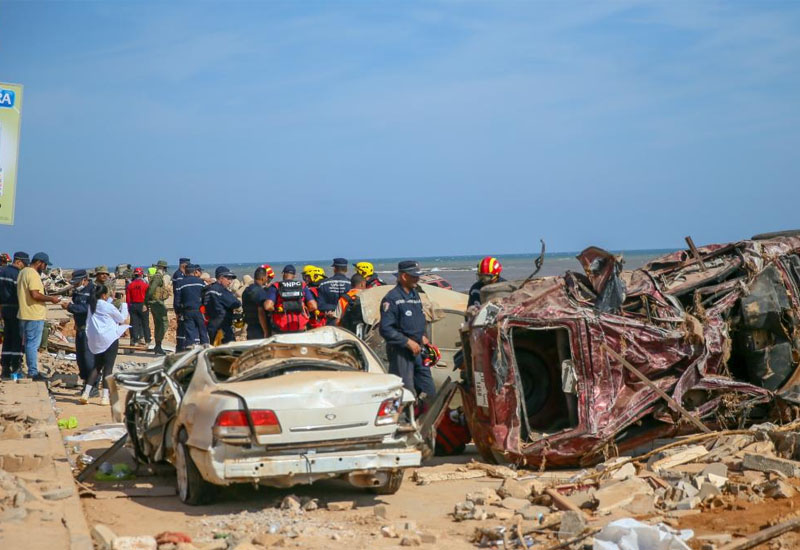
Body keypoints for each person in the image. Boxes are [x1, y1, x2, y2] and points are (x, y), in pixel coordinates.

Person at [379, 260, 436, 400]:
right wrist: (407, 342)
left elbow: (417, 320)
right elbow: (386, 329)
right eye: (414, 276)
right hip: (401, 352)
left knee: (429, 390)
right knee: (405, 393)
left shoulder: (415, 295)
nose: (418, 279)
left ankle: (425, 418)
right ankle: (404, 420)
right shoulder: (392, 298)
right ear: (404, 276)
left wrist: (422, 336)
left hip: (418, 350)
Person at [80, 284, 129, 405]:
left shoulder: (92, 305)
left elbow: (105, 308)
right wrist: (123, 303)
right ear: (103, 295)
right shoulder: (107, 306)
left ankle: (86, 393)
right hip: (109, 339)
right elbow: (122, 319)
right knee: (108, 368)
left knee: (97, 367)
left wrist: (111, 299)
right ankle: (105, 397)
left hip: (96, 340)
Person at [17, 252, 62, 381]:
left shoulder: (23, 272)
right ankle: (33, 372)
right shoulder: (33, 274)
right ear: (39, 262)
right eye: (45, 265)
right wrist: (51, 298)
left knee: (27, 343)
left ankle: (27, 368)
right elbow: (35, 295)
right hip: (33, 314)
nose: (45, 267)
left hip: (24, 313)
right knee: (32, 344)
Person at [62, 269, 95, 384]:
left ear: (84, 280)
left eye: (77, 282)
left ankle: (93, 384)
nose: (75, 285)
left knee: (89, 358)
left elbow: (88, 309)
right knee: (81, 359)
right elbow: (77, 305)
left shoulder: (93, 290)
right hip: (80, 328)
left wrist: (70, 307)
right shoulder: (77, 291)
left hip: (89, 329)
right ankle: (86, 382)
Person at [264, 265, 319, 334]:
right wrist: (304, 308)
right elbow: (313, 306)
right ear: (294, 276)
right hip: (299, 327)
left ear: (283, 274)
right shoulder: (302, 285)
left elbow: (268, 306)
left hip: (280, 328)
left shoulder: (276, 286)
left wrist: (275, 310)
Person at [0, 251, 28, 378]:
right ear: (18, 261)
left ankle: (5, 367)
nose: (24, 266)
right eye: (24, 263)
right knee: (17, 338)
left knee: (7, 337)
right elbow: (20, 293)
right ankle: (15, 367)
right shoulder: (17, 274)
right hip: (15, 308)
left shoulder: (2, 271)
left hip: (4, 308)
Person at [204, 266, 241, 345]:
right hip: (223, 327)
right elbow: (236, 303)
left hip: (211, 326)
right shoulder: (221, 290)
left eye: (231, 279)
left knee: (215, 351)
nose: (230, 281)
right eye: (228, 278)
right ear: (221, 278)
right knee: (229, 352)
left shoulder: (208, 290)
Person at [175, 264, 209, 348]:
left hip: (187, 311)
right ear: (194, 272)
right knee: (203, 332)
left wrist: (178, 312)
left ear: (185, 272)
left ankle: (190, 352)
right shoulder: (201, 282)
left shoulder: (181, 283)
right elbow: (206, 296)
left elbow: (177, 300)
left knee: (190, 334)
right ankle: (205, 351)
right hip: (200, 311)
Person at [317, 258, 351, 324]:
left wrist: (334, 311)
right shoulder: (351, 283)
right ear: (346, 269)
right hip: (347, 319)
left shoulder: (323, 284)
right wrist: (340, 311)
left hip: (331, 319)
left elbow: (320, 305)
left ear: (334, 269)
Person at [145, 260, 169, 355]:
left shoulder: (155, 276)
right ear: (164, 268)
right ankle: (158, 345)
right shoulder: (158, 277)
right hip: (157, 303)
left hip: (155, 302)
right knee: (163, 323)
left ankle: (158, 346)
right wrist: (146, 301)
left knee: (158, 324)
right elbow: (151, 290)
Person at [242, 267, 272, 340]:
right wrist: (266, 331)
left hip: (250, 327)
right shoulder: (260, 292)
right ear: (263, 278)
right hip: (260, 328)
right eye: (266, 277)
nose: (267, 279)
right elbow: (261, 313)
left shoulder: (246, 291)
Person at [126, 268, 150, 346]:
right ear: (141, 274)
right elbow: (148, 296)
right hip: (143, 305)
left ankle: (135, 340)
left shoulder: (130, 285)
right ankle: (147, 341)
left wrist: (129, 307)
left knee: (134, 323)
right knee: (145, 324)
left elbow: (128, 299)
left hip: (133, 305)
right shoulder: (145, 285)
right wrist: (147, 305)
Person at [173, 258, 190, 351]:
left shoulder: (181, 274)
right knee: (181, 328)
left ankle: (182, 347)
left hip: (181, 304)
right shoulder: (179, 275)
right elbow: (179, 292)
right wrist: (177, 309)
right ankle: (180, 348)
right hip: (180, 305)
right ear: (183, 265)